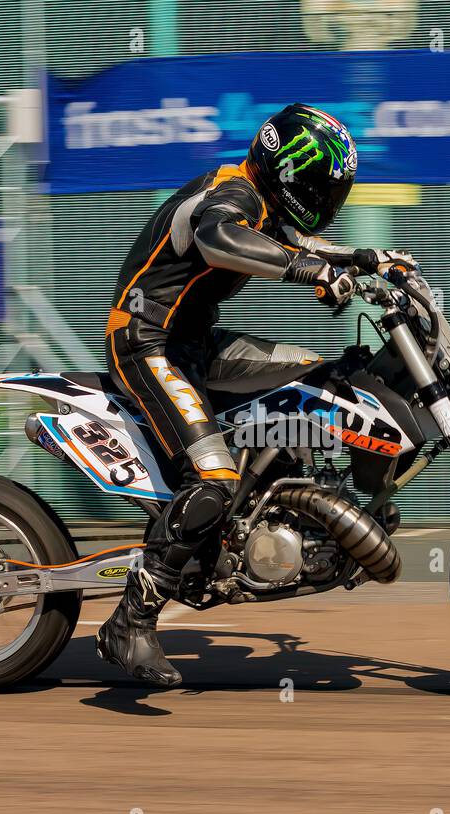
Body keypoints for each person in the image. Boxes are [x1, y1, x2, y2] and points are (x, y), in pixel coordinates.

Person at [98, 103, 413, 686]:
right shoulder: (233, 198)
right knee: (211, 480)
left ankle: (269, 504)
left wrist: (370, 261)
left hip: (196, 343)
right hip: (148, 343)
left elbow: (303, 243)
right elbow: (220, 239)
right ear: (294, 171)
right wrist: (313, 273)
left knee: (320, 384)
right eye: (324, 185)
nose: (330, 196)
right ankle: (130, 621)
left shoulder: (261, 204)